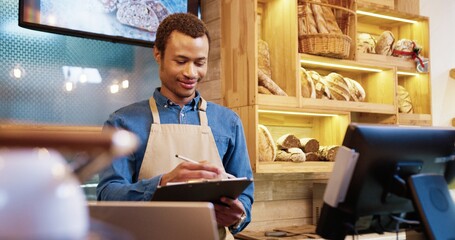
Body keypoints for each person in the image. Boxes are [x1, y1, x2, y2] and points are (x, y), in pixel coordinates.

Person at [96, 13, 254, 239]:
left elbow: (245, 195)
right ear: (158, 54)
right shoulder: (123, 122)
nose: (191, 73)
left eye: (200, 63)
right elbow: (107, 196)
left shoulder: (229, 122)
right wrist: (161, 184)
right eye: (181, 61)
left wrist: (238, 216)